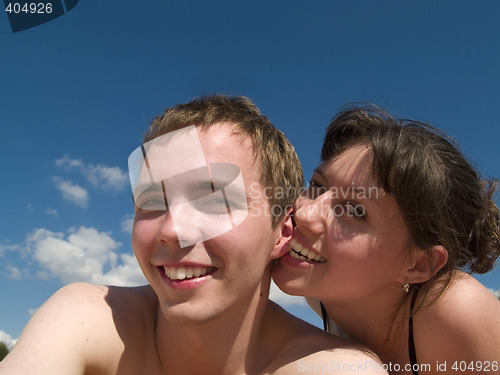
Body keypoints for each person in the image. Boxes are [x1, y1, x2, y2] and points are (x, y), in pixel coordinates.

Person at [1, 96, 387, 375]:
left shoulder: (332, 367)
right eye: (152, 202)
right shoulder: (86, 318)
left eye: (215, 200)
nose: (171, 230)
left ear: (282, 232)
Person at [273, 104, 500, 374]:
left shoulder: (456, 311)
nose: (306, 212)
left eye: (356, 211)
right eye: (317, 187)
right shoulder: (320, 290)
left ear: (417, 265)